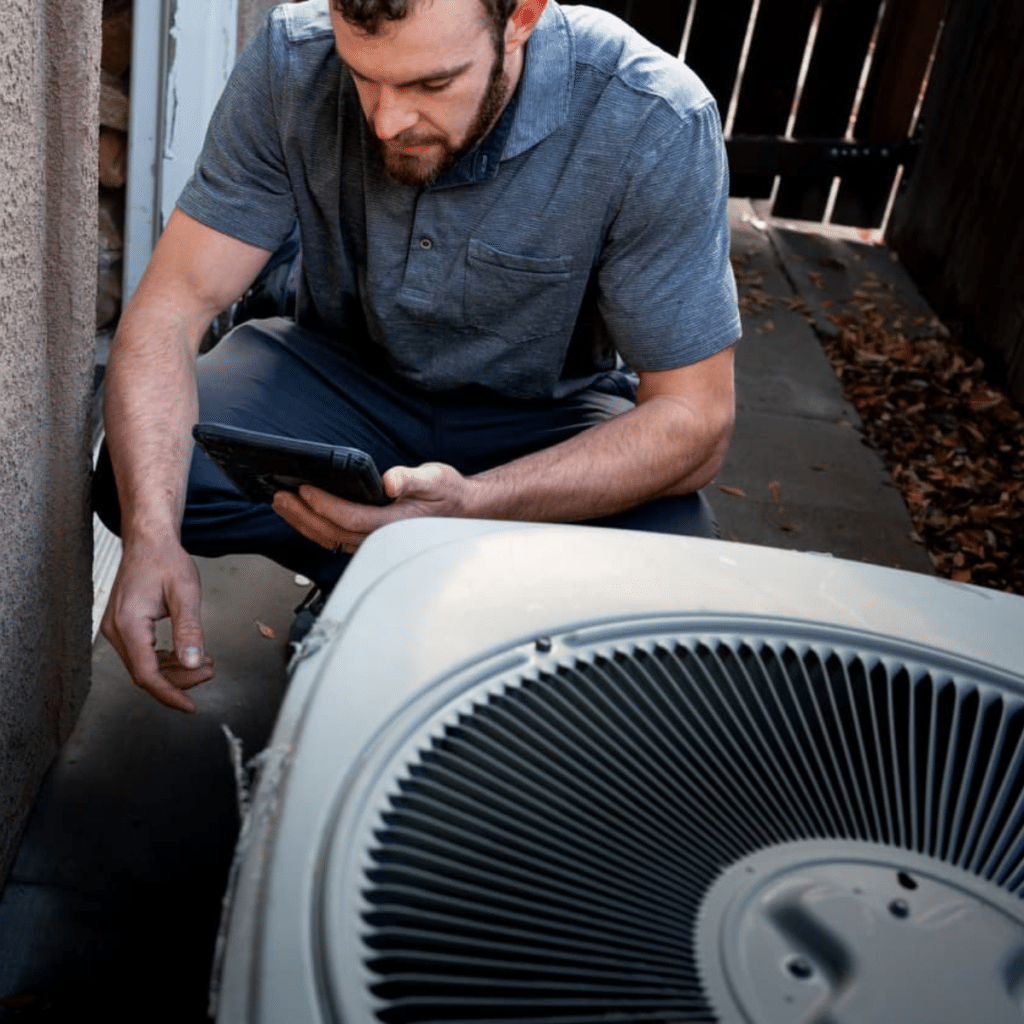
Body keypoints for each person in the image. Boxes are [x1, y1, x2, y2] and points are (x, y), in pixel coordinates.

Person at [95, 0, 741, 713]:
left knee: (668, 572)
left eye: (432, 85)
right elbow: (170, 306)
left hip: (543, 420)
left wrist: (474, 507)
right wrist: (150, 537)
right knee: (148, 475)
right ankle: (377, 576)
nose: (387, 121)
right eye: (363, 76)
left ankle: (437, 604)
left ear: (520, 16)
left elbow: (696, 418)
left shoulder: (652, 116)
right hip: (343, 388)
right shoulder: (292, 58)